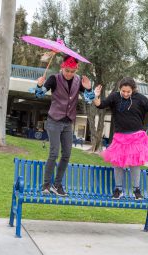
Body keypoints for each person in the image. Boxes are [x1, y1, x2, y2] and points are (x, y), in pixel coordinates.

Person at [93, 77, 148, 199]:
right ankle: (118, 189)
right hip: (120, 137)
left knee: (135, 163)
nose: (125, 93)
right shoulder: (114, 97)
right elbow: (100, 105)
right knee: (117, 163)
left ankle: (136, 191)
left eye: (128, 91)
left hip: (136, 137)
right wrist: (96, 96)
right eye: (123, 91)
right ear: (120, 89)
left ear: (133, 90)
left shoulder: (139, 98)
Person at [35, 55, 92, 196]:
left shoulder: (78, 81)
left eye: (72, 71)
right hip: (54, 120)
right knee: (54, 153)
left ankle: (57, 185)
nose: (69, 74)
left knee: (66, 154)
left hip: (68, 122)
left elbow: (89, 100)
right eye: (67, 70)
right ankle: (46, 186)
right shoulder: (54, 79)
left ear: (76, 70)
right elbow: (39, 95)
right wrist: (39, 85)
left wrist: (89, 89)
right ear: (62, 67)